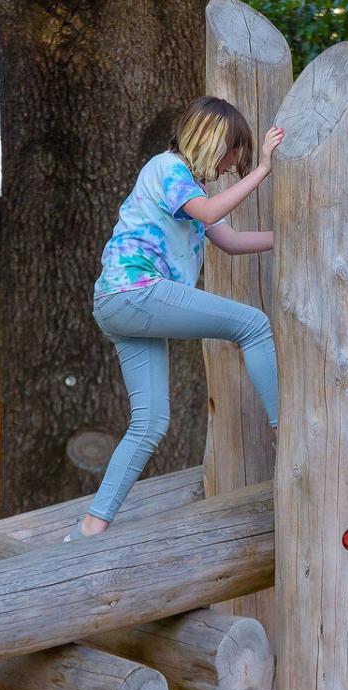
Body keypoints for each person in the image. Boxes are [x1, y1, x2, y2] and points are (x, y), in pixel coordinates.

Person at [70, 96, 284, 542]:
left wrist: (295, 236)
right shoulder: (169, 170)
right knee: (253, 324)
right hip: (136, 292)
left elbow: (233, 241)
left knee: (149, 423)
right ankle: (287, 429)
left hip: (119, 303)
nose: (229, 168)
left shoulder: (186, 190)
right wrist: (263, 168)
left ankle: (91, 526)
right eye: (231, 158)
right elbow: (210, 214)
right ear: (212, 142)